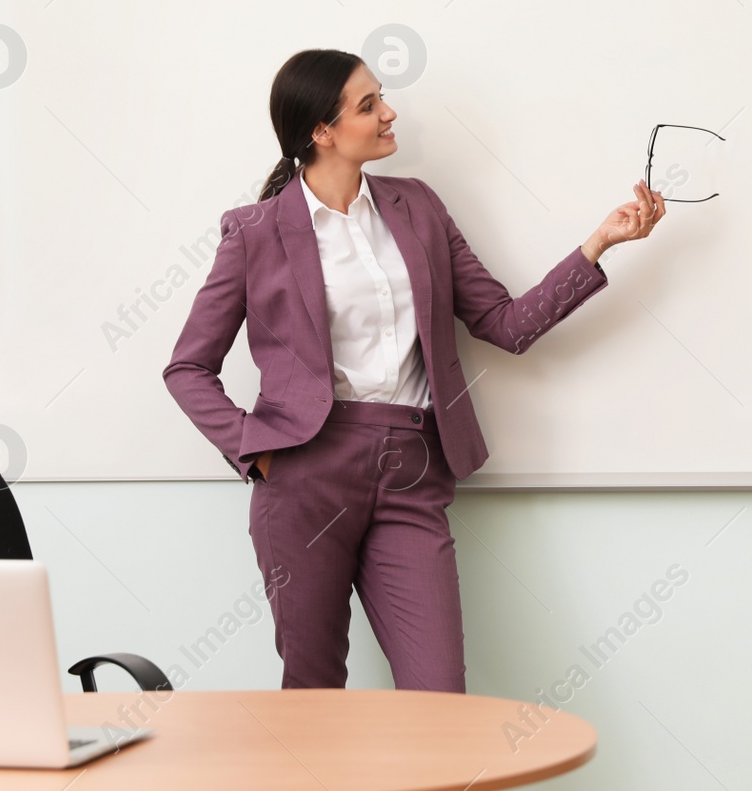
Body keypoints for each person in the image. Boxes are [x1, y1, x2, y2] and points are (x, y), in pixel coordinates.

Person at [162, 48, 665, 692]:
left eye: (382, 96)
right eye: (368, 104)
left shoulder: (417, 208)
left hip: (414, 466)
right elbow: (187, 367)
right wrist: (257, 452)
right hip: (304, 474)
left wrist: (600, 243)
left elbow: (505, 325)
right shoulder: (256, 231)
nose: (389, 112)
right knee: (313, 691)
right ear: (322, 130)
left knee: (439, 697)